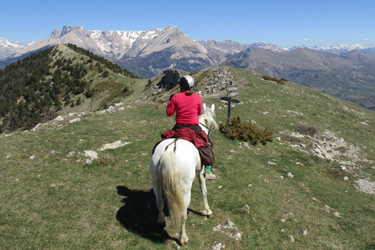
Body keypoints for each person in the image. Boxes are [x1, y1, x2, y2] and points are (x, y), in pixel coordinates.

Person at [166, 75, 216, 179]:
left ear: (181, 86)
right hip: (194, 127)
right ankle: (208, 171)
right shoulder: (197, 97)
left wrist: (169, 103)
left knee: (166, 141)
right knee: (208, 143)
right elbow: (198, 112)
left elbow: (169, 113)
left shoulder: (176, 97)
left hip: (179, 127)